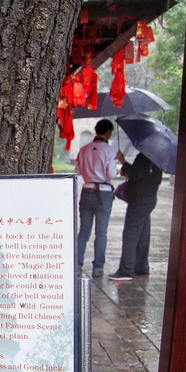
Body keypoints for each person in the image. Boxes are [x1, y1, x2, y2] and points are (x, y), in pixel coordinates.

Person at [75, 119, 126, 278]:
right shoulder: (110, 151)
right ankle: (98, 268)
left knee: (83, 232)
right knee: (101, 233)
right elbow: (111, 174)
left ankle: (77, 265)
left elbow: (77, 170)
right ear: (109, 131)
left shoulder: (83, 149)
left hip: (87, 190)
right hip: (103, 193)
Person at [108, 153, 163, 280]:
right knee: (143, 233)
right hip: (150, 198)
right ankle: (141, 267)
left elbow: (135, 174)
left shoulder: (143, 157)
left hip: (139, 201)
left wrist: (123, 161)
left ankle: (126, 270)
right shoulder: (158, 159)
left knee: (130, 234)